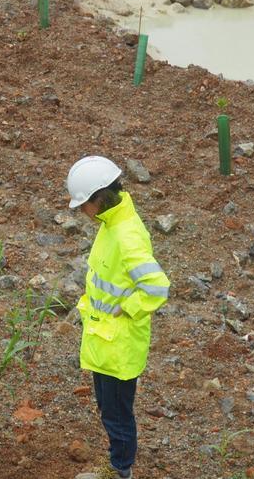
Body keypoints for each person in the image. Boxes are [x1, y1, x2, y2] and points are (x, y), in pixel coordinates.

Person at [66, 156, 170, 479]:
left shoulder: (125, 235)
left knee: (117, 414)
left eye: (83, 205)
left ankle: (120, 470)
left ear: (99, 199)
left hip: (118, 345)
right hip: (104, 340)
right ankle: (117, 464)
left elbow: (156, 287)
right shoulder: (112, 223)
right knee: (109, 408)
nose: (82, 212)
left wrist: (128, 307)